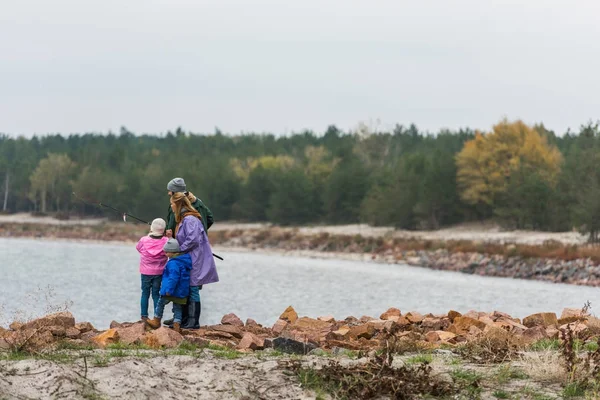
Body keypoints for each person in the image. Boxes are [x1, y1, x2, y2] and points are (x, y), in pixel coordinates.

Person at [169, 191, 219, 329]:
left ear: (178, 204)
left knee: (193, 288)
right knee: (189, 287)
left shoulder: (190, 219)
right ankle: (186, 319)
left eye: (172, 204)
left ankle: (193, 321)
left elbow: (193, 239)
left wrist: (178, 250)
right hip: (190, 257)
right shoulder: (184, 219)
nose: (171, 206)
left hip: (195, 258)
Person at [146, 238, 192, 333]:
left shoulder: (173, 263)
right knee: (177, 308)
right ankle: (176, 324)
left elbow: (173, 278)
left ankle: (156, 320)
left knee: (160, 303)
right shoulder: (183, 261)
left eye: (167, 252)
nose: (165, 254)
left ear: (173, 252)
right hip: (181, 291)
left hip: (171, 291)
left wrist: (169, 290)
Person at [135, 218, 169, 321]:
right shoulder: (166, 241)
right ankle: (156, 317)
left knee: (145, 293)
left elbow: (138, 248)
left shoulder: (144, 240)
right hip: (159, 272)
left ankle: (144, 316)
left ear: (151, 228)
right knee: (156, 294)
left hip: (145, 272)